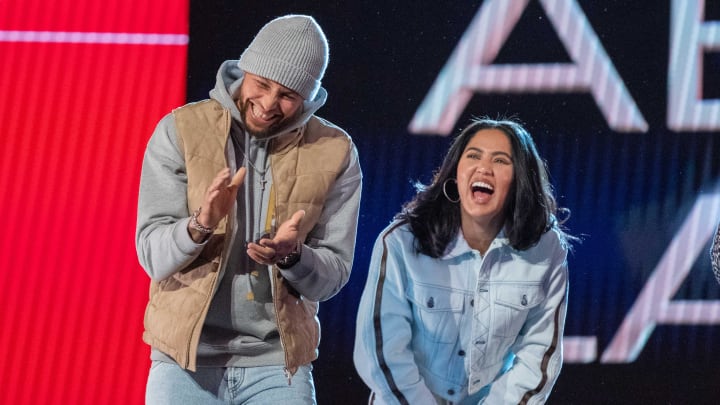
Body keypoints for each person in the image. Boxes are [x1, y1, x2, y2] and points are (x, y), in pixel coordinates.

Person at [135, 14, 362, 404]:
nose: (269, 104)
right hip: (184, 362)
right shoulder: (181, 130)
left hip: (278, 366)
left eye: (289, 95)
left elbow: (333, 276)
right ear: (244, 70)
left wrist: (293, 256)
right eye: (262, 85)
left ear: (308, 98)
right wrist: (201, 224)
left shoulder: (335, 150)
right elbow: (152, 256)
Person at [353, 118, 574, 404]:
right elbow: (381, 352)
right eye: (473, 156)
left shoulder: (546, 248)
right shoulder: (402, 242)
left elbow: (539, 357)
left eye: (500, 160)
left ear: (520, 179)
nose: (484, 168)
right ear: (455, 175)